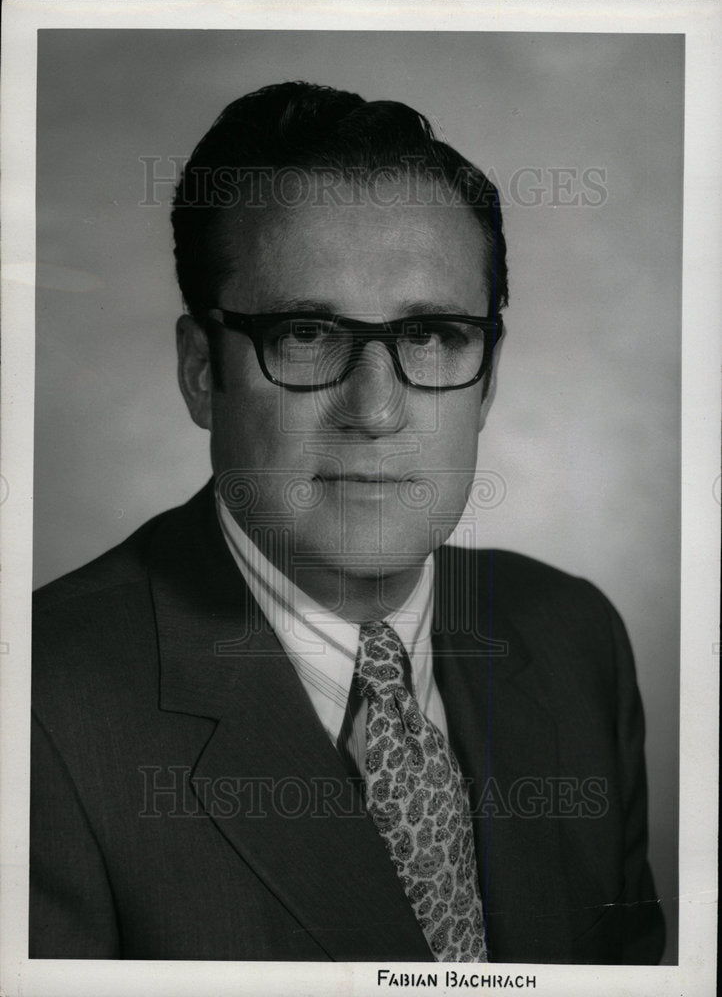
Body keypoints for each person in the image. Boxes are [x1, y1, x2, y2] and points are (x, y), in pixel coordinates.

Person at [30, 81, 664, 963]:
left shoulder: (575, 637)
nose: (375, 411)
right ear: (200, 372)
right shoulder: (35, 713)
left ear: (488, 378)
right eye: (304, 333)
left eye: (433, 335)